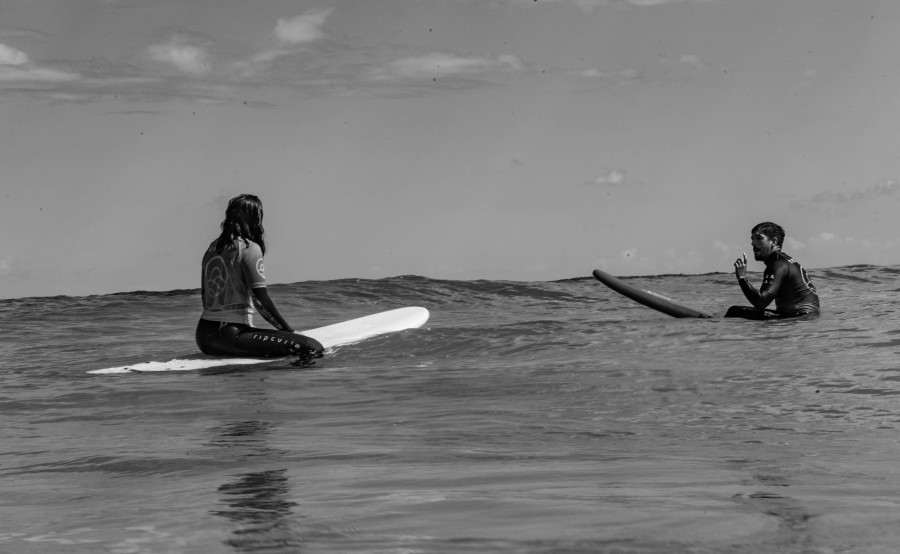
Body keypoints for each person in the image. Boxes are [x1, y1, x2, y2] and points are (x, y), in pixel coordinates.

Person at [195, 194, 323, 358]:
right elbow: (259, 299)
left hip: (204, 336)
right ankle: (289, 382)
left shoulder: (213, 248)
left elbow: (205, 294)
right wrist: (288, 331)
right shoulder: (249, 248)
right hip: (229, 334)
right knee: (311, 347)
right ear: (254, 219)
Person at [728, 221, 820, 319]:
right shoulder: (783, 261)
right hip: (807, 317)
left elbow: (760, 302)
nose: (753, 243)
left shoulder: (778, 264)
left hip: (800, 318)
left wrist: (742, 278)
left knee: (734, 311)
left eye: (759, 238)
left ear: (774, 241)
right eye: (752, 239)